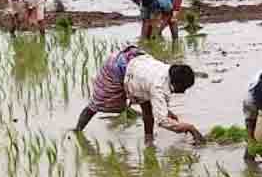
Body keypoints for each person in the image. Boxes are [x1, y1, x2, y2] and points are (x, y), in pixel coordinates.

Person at [74, 45, 205, 145]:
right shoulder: (158, 86)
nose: (183, 92)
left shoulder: (168, 71)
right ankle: (77, 131)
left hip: (136, 64)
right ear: (176, 83)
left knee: (147, 107)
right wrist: (190, 128)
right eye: (183, 88)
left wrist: (166, 110)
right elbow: (162, 121)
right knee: (98, 103)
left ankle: (148, 142)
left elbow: (157, 99)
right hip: (116, 67)